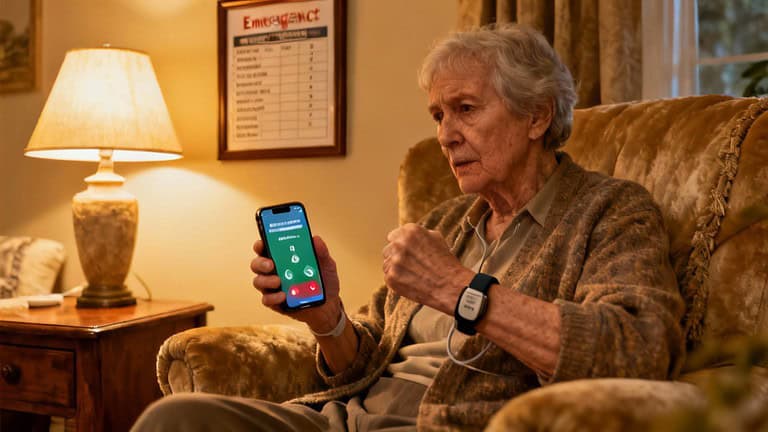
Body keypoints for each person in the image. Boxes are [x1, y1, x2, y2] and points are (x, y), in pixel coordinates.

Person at [132, 24, 685, 432]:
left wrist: (458, 289)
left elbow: (638, 350)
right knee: (176, 419)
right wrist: (328, 320)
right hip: (339, 421)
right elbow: (367, 359)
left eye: (465, 109)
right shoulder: (446, 222)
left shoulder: (609, 211)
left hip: (447, 425)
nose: (445, 135)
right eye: (438, 115)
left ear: (537, 115)